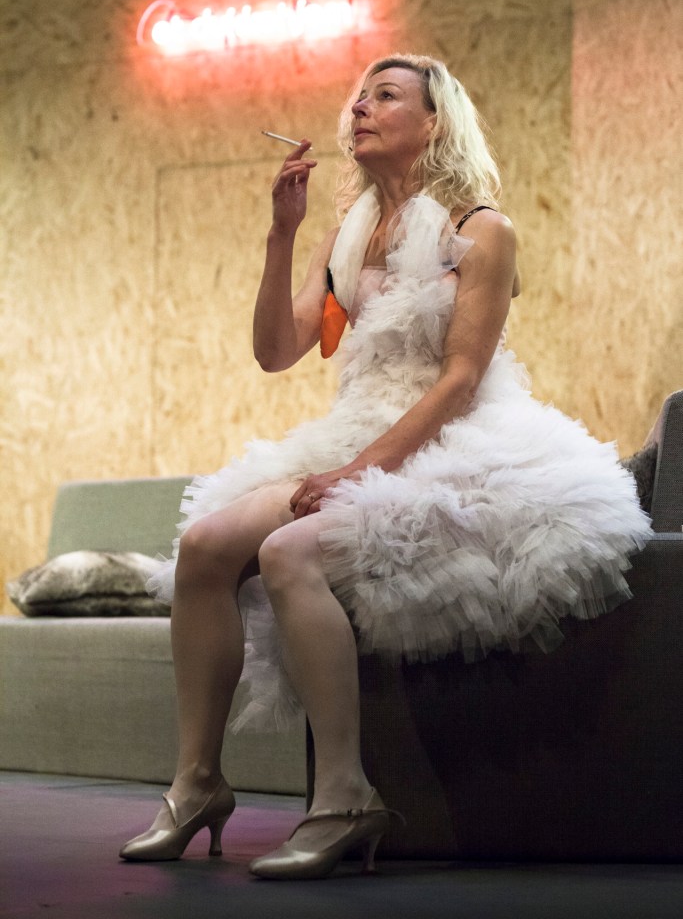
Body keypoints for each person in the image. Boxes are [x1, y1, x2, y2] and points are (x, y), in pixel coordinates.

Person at [119, 54, 651, 878]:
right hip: (353, 432)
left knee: (289, 551)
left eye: (385, 96)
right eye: (358, 97)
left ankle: (344, 797)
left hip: (454, 440)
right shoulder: (351, 232)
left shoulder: (482, 229)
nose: (360, 108)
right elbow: (275, 350)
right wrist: (281, 233)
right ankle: (197, 784)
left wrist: (362, 470)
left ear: (433, 122)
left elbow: (461, 377)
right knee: (204, 546)